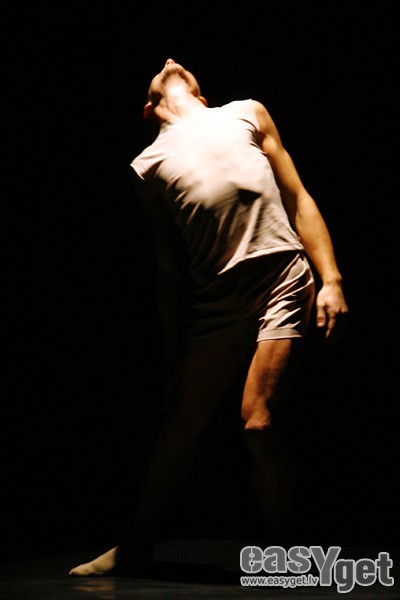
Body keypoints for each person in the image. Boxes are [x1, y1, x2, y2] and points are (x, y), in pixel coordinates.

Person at [69, 58, 348, 576]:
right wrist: (174, 346)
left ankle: (283, 556)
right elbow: (168, 268)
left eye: (179, 63)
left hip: (281, 279)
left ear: (202, 94)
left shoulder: (246, 112)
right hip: (216, 299)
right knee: (179, 422)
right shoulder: (147, 165)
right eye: (161, 66)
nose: (170, 60)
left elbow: (298, 196)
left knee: (259, 424)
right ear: (147, 109)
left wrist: (330, 278)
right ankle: (134, 547)